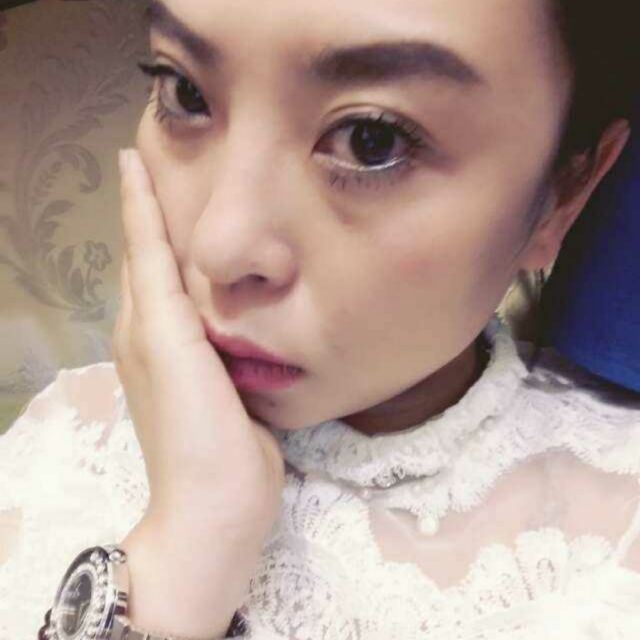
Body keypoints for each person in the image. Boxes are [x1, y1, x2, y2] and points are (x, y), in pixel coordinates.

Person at [1, 1, 639, 638]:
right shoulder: (63, 440)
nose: (219, 246)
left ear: (563, 192)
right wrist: (179, 557)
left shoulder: (616, 553)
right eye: (185, 92)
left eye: (372, 139)